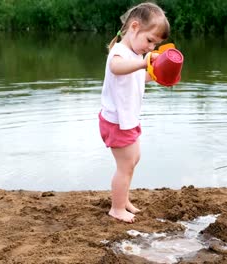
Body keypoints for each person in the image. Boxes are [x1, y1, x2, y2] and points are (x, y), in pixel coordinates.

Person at [98, 2, 170, 223]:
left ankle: (124, 200)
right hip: (116, 121)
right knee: (125, 165)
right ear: (135, 27)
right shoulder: (120, 52)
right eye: (150, 40)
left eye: (155, 44)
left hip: (128, 119)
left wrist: (158, 72)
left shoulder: (136, 54)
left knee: (133, 159)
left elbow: (138, 77)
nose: (150, 47)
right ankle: (117, 208)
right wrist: (141, 64)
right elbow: (116, 68)